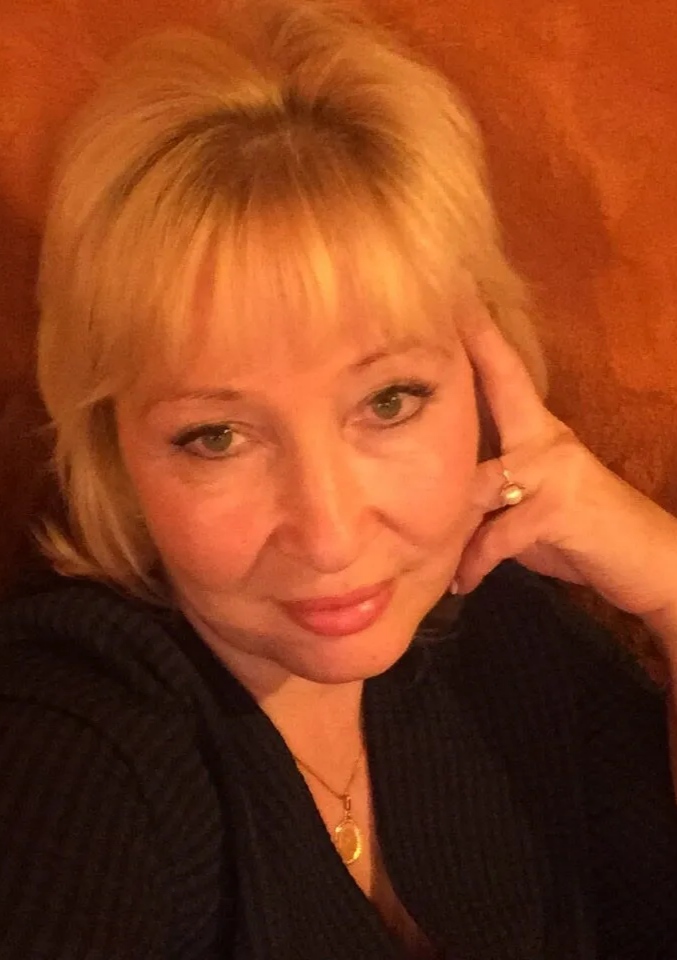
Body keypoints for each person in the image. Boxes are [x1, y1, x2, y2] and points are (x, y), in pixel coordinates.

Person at [1, 1, 677, 957]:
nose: (328, 537)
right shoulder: (74, 743)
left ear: (485, 375)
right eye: (216, 436)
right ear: (115, 452)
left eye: (389, 401)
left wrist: (669, 587)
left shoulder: (502, 634)